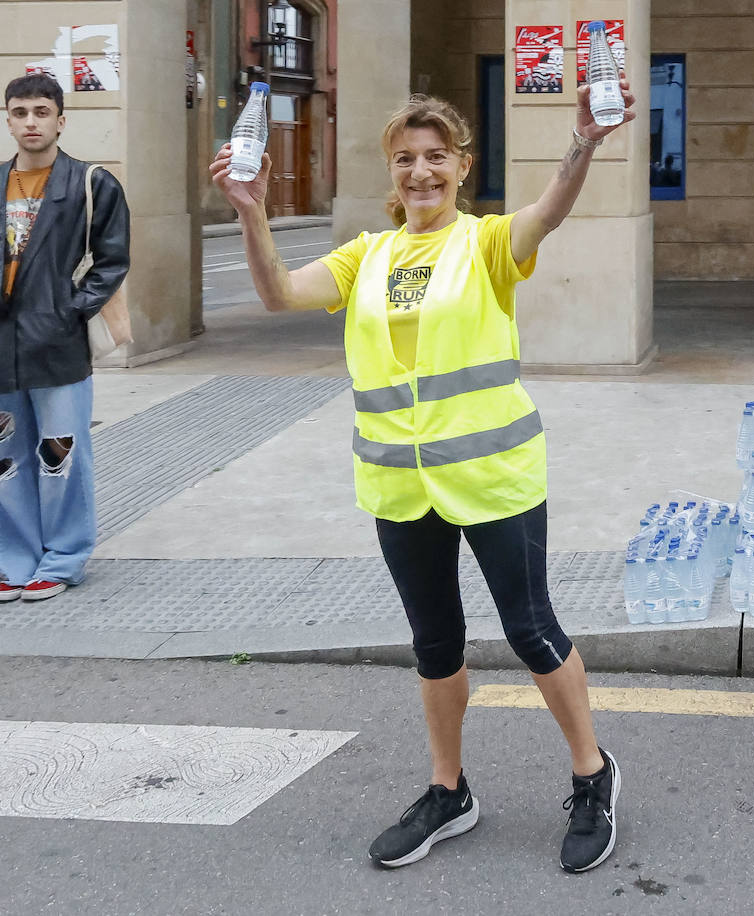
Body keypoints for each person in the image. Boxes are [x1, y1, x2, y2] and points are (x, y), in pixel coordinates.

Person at [209, 79, 636, 873]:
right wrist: (250, 209)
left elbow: (551, 208)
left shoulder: (487, 244)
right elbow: (278, 294)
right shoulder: (365, 255)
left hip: (492, 475)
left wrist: (584, 143)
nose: (421, 172)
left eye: (436, 157)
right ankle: (450, 791)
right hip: (401, 487)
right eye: (406, 159)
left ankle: (592, 772)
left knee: (531, 631)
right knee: (435, 644)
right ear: (391, 172)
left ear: (462, 167)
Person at [0, 73, 130, 603]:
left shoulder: (91, 183)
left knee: (61, 452)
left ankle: (63, 559)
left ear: (60, 120)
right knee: (2, 455)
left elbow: (112, 260)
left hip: (58, 345)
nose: (31, 122)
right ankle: (11, 562)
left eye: (41, 112)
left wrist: (68, 313)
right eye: (21, 112)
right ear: (8, 119)